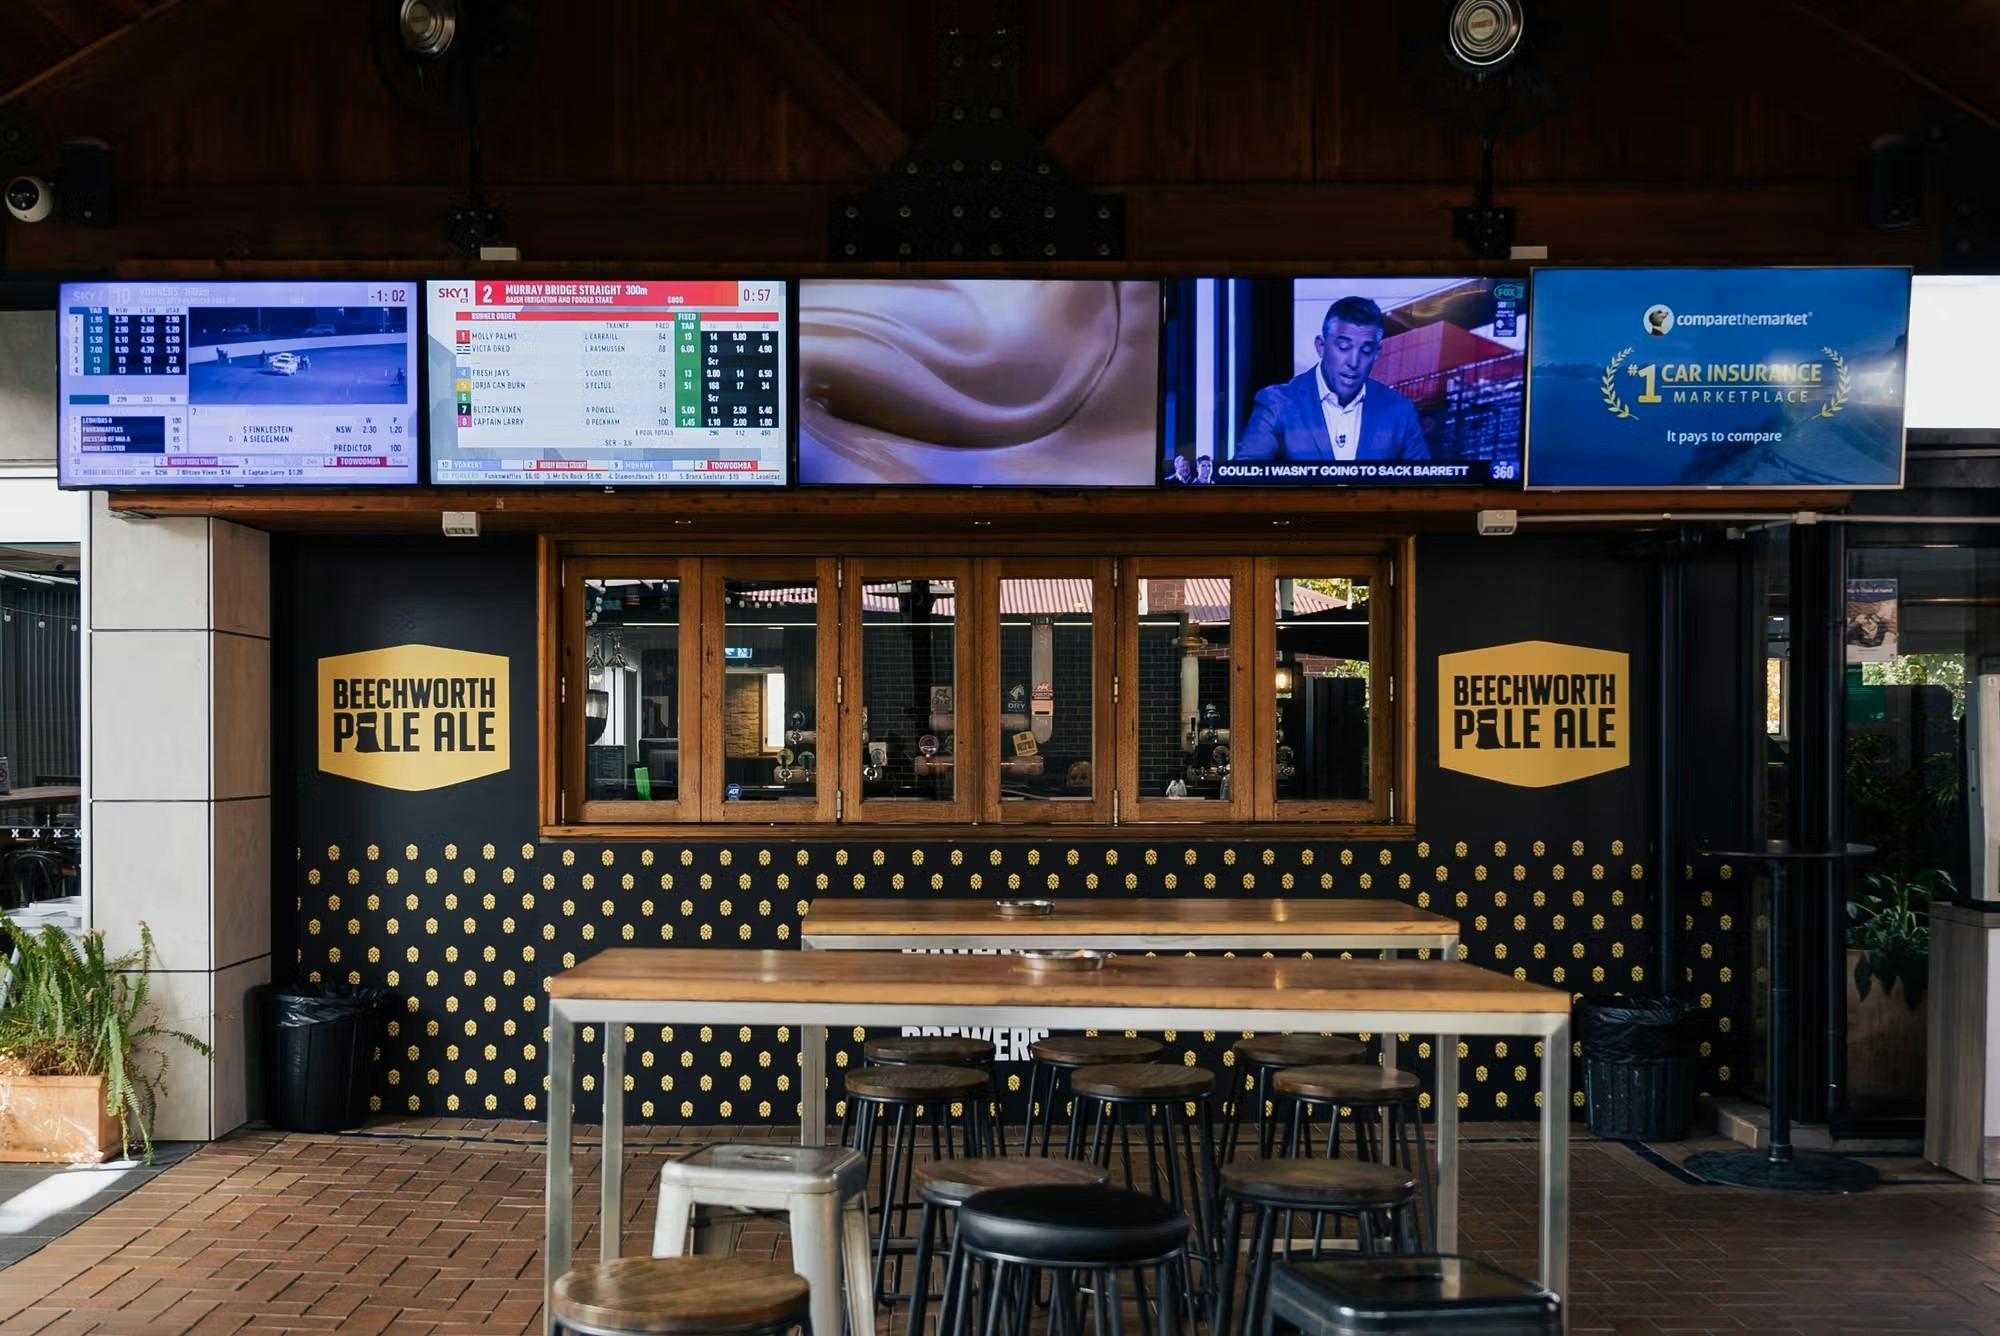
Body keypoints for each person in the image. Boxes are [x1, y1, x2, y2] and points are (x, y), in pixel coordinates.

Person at [1233, 296, 1428, 463]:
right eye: (1344, 347)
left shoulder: (1399, 411)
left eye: (1366, 350)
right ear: (1321, 346)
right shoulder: (1277, 404)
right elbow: (1244, 481)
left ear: (1377, 353)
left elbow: (1426, 489)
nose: (1354, 361)